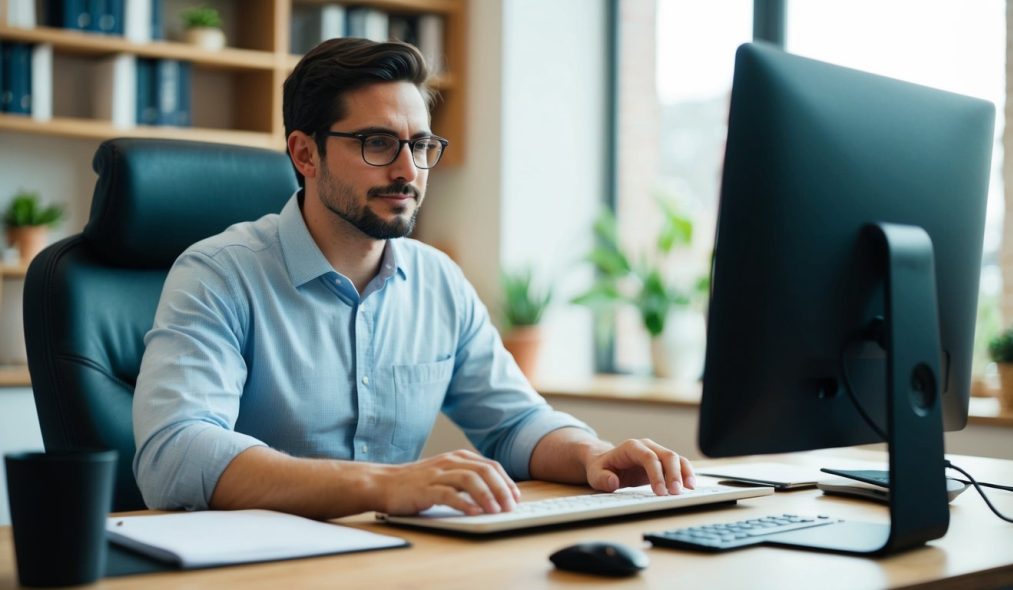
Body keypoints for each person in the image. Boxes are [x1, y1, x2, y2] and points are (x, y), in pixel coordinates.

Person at [132, 38, 697, 520]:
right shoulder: (218, 274)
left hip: (396, 557)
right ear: (305, 154)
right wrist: (382, 485)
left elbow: (517, 420)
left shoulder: (437, 282)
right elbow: (177, 454)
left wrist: (591, 455)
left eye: (421, 145)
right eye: (377, 143)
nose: (408, 171)